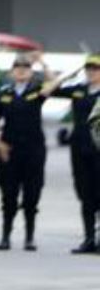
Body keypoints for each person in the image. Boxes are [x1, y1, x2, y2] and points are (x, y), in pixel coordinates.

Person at [0, 51, 51, 250]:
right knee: (8, 194)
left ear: (31, 72)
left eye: (26, 68)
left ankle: (29, 237)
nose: (21, 71)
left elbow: (54, 83)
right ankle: (5, 236)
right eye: (18, 68)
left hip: (33, 149)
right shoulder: (3, 94)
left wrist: (42, 62)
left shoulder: (37, 91)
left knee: (32, 194)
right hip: (10, 148)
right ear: (11, 71)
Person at [50, 53, 100, 253]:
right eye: (88, 68)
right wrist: (69, 74)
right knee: (84, 194)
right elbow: (49, 90)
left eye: (95, 69)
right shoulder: (79, 91)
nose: (91, 72)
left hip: (99, 150)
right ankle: (89, 238)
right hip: (79, 149)